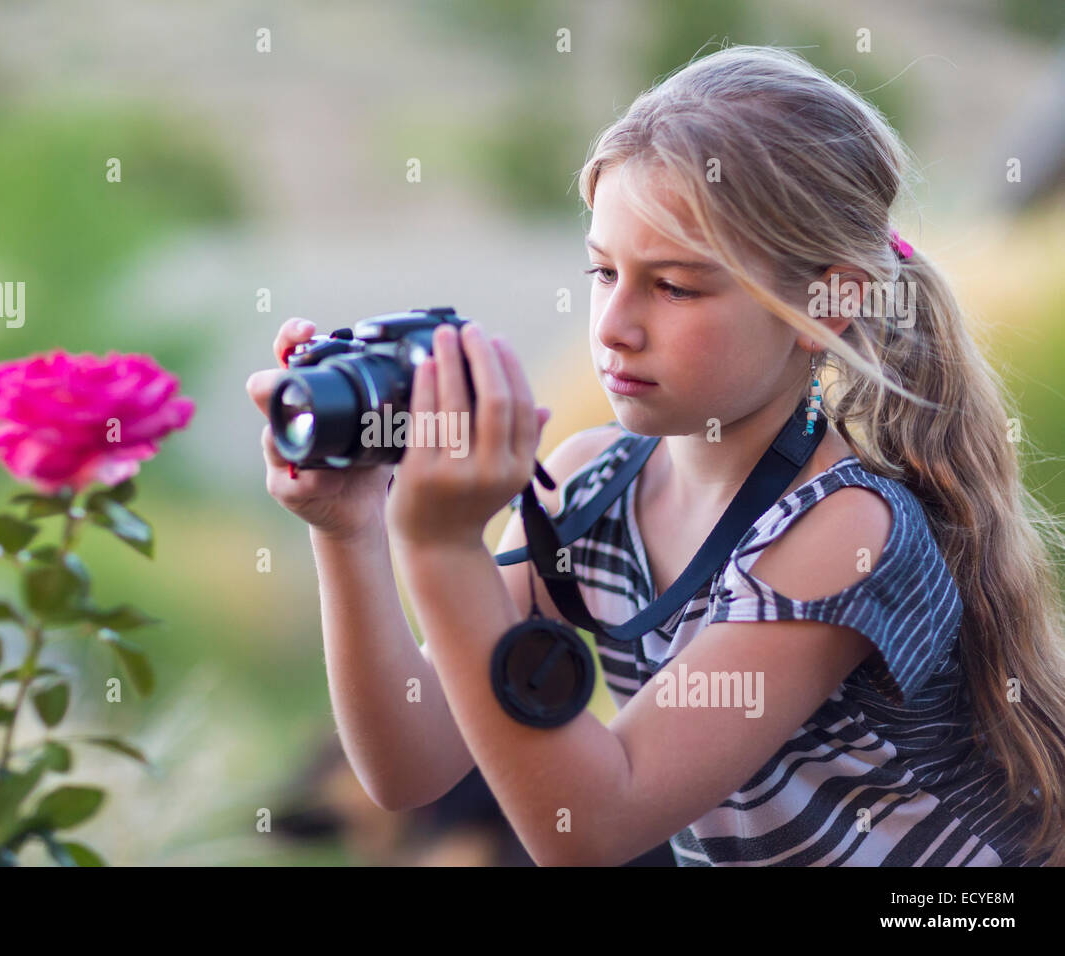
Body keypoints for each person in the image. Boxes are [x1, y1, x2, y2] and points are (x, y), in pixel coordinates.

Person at [245, 44, 1065, 867]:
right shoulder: (587, 487)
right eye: (603, 272)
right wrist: (349, 530)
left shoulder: (845, 533)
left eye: (674, 285)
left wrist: (441, 547)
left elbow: (597, 825)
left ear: (830, 299)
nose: (612, 325)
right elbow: (408, 765)